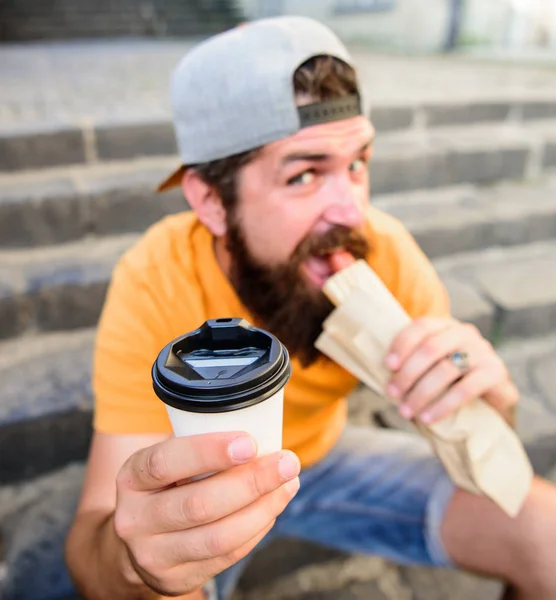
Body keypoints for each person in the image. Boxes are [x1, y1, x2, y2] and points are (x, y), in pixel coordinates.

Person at [65, 16, 556, 600]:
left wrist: (487, 406)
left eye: (356, 164)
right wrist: (135, 563)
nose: (350, 211)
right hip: (206, 477)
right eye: (303, 175)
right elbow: (92, 534)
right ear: (211, 202)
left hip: (326, 457)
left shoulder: (385, 253)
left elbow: (474, 451)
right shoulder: (154, 280)